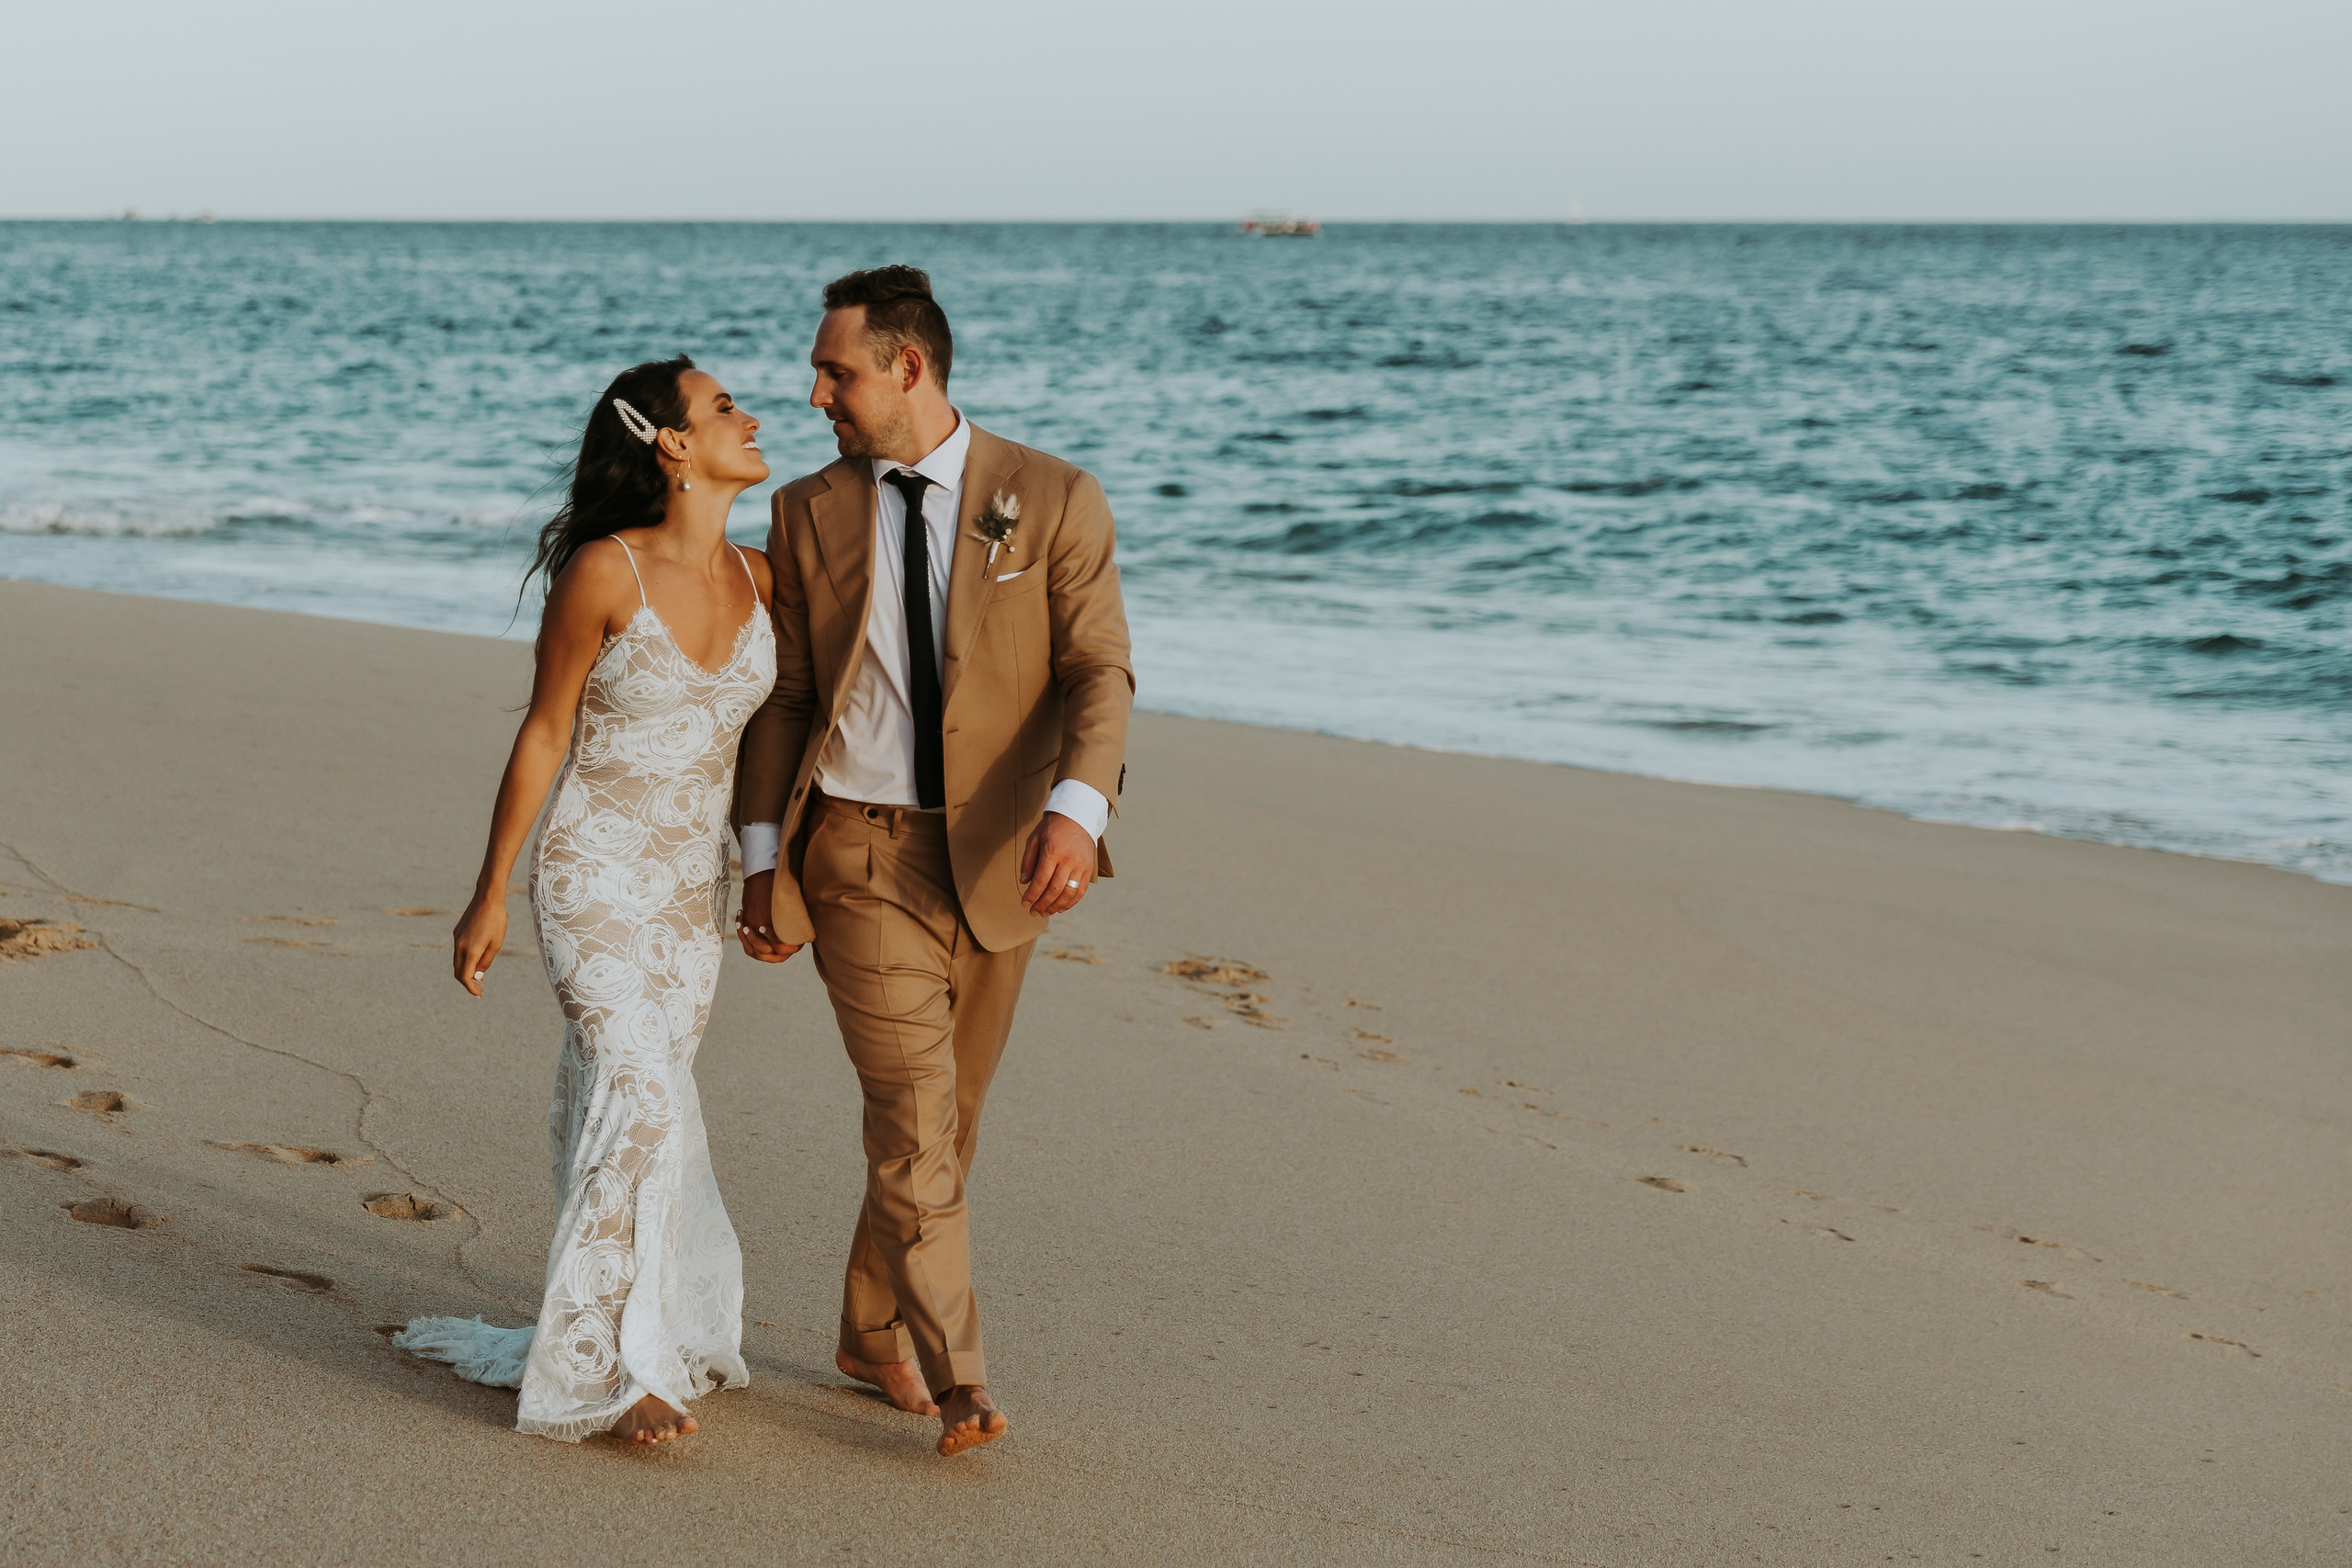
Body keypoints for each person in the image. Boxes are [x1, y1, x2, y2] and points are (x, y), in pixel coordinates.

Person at [733, 266, 1134, 1457]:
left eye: (836, 371)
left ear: (908, 368)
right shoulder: (807, 511)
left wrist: (1078, 806)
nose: (815, 395)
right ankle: (961, 1375)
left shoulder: (1051, 497)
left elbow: (1097, 671)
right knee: (914, 1120)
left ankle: (866, 1326)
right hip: (856, 852)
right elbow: (789, 693)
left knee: (944, 1130)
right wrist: (763, 855)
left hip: (1003, 860)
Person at [395, 355, 775, 1446]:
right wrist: (489, 895)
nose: (748, 419)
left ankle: (634, 1330)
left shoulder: (763, 577)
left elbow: (780, 736)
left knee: (640, 1105)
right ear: (670, 444)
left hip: (689, 892)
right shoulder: (606, 573)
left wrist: (770, 870)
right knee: (637, 1095)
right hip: (593, 872)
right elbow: (547, 732)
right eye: (721, 408)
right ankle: (608, 1372)